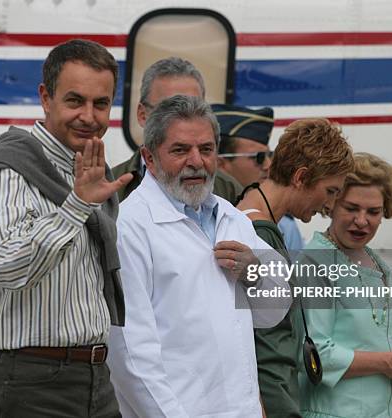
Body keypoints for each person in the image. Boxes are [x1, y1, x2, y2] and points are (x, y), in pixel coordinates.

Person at [0, 39, 132, 418]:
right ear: (46, 97)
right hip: (28, 382)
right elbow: (10, 268)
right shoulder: (13, 166)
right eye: (75, 101)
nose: (89, 116)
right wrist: (76, 204)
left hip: (95, 379)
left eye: (101, 104)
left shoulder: (94, 173)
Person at [107, 95, 291, 417]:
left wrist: (255, 274)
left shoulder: (232, 218)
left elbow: (274, 312)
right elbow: (131, 356)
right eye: (180, 150)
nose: (196, 161)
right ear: (149, 158)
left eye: (206, 149)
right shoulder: (130, 226)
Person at [294, 152, 392, 418]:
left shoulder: (377, 264)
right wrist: (387, 362)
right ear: (330, 205)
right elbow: (314, 355)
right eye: (351, 208)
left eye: (373, 211)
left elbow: (356, 338)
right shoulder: (314, 263)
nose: (362, 221)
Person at [236, 118, 355, 418]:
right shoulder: (261, 234)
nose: (330, 205)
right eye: (330, 191)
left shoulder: (243, 213)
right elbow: (265, 343)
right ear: (301, 177)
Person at [113, 57, 242, 203]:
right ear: (142, 115)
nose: (184, 120)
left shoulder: (229, 191)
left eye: (194, 107)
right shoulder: (111, 189)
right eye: (168, 110)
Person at [214, 104, 305, 253]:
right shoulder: (203, 214)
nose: (268, 165)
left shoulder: (285, 226)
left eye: (270, 155)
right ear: (220, 162)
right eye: (259, 157)